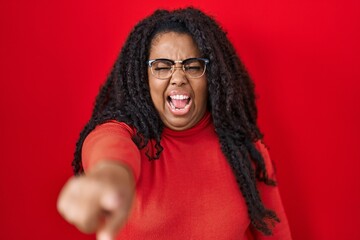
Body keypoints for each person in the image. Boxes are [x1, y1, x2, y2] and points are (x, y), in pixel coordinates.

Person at [57, 7, 292, 240]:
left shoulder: (243, 148)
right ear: (143, 77)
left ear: (212, 75)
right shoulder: (123, 133)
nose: (178, 78)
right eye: (161, 67)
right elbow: (110, 153)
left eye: (192, 66)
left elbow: (276, 233)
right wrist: (107, 180)